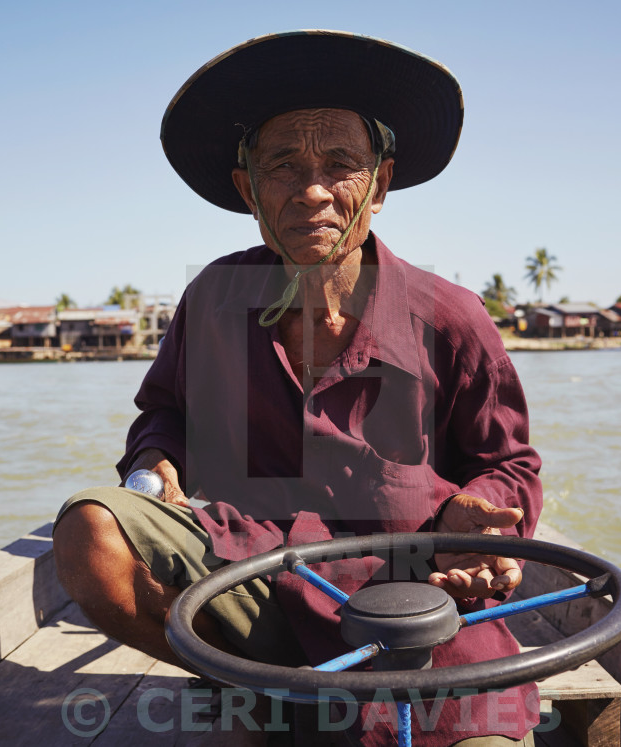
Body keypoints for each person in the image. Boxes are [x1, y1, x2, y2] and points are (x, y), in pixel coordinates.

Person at [53, 31, 543, 746]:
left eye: (340, 164)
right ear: (249, 190)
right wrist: (151, 461)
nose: (312, 190)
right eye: (283, 164)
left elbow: (511, 466)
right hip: (257, 578)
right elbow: (164, 413)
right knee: (88, 531)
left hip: (419, 604)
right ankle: (263, 687)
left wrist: (485, 516)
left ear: (379, 185)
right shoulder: (215, 298)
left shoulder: (451, 316)